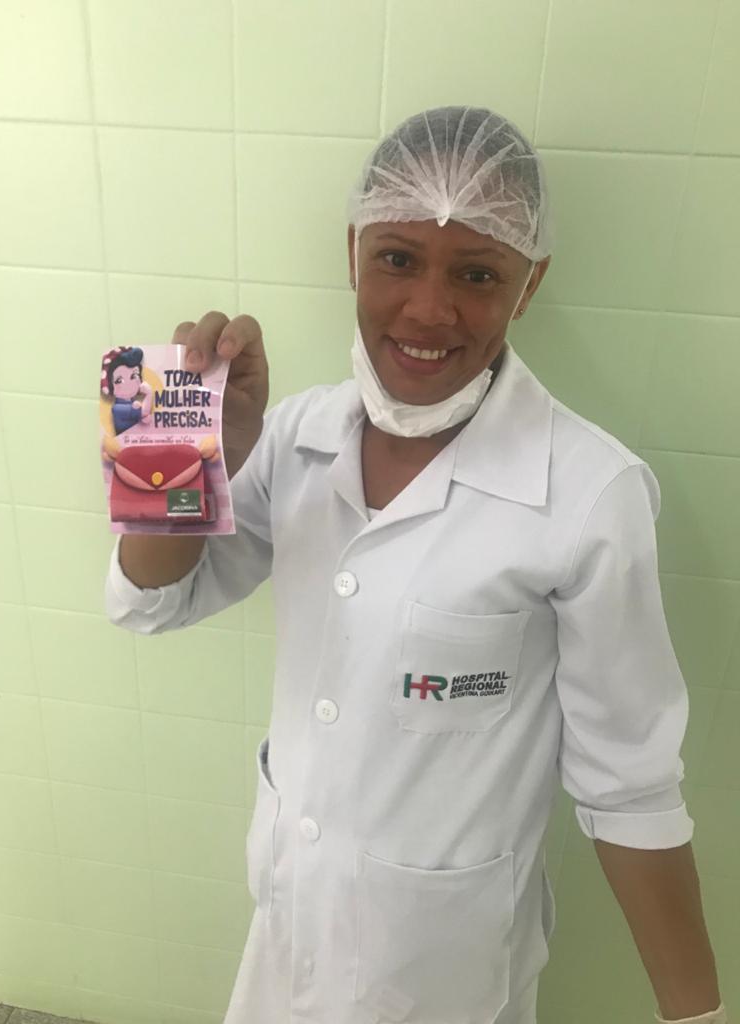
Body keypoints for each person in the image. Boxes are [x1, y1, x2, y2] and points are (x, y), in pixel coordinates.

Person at [104, 107, 709, 1024]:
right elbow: (146, 603)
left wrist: (697, 1014)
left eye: (478, 273)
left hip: (445, 977)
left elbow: (631, 786)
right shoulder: (296, 433)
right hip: (287, 933)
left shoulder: (591, 492)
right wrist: (189, 449)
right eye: (396, 258)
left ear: (530, 283)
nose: (430, 308)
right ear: (352, 252)